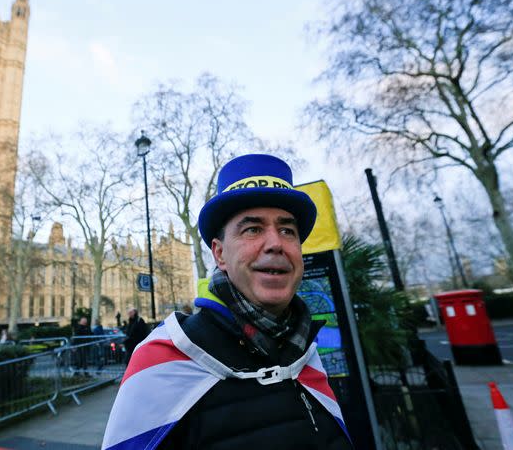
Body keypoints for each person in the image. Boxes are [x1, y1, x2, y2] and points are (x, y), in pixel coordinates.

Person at [103, 154, 351, 449]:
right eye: (253, 229)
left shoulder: (306, 352)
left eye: (287, 230)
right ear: (219, 254)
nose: (275, 243)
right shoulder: (162, 360)